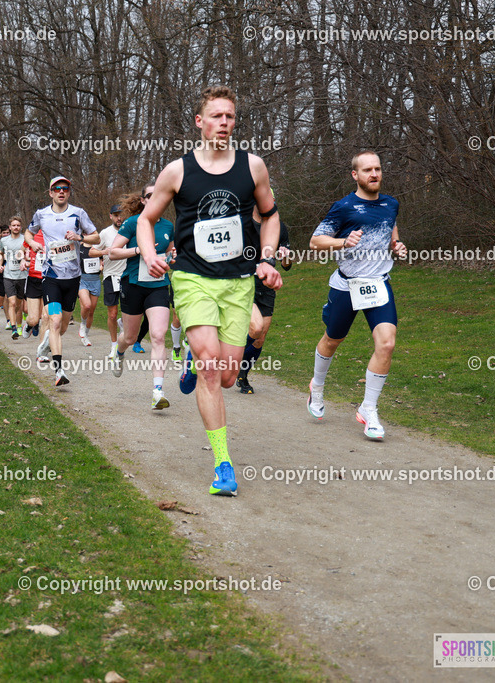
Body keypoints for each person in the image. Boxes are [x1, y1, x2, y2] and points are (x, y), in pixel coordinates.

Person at [138, 85, 283, 497]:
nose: (224, 123)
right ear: (200, 123)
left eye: (230, 117)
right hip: (192, 278)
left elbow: (270, 216)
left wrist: (267, 259)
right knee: (209, 365)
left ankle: (191, 357)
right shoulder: (177, 171)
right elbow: (147, 220)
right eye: (216, 116)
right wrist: (149, 254)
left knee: (228, 374)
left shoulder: (252, 167)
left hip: (237, 283)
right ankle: (223, 464)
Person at [307, 150, 406, 440]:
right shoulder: (344, 207)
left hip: (378, 284)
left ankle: (369, 408)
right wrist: (342, 241)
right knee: (332, 340)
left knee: (386, 344)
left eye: (377, 169)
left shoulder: (391, 204)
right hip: (347, 286)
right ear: (355, 175)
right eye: (367, 170)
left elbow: (391, 230)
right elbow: (315, 242)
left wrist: (396, 245)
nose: (374, 174)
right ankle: (318, 387)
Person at [25, 175, 99, 386]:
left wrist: (80, 238)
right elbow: (28, 233)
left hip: (73, 277)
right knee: (55, 321)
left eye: (65, 188)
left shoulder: (78, 213)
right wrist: (33, 244)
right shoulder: (41, 214)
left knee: (63, 327)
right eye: (57, 188)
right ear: (50, 192)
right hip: (51, 276)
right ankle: (59, 371)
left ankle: (47, 342)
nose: (61, 191)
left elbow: (97, 237)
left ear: (69, 192)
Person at [108, 183, 174, 410]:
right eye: (149, 195)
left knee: (157, 335)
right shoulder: (132, 223)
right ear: (143, 200)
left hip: (158, 285)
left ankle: (158, 391)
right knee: (130, 337)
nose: (155, 198)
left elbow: (171, 254)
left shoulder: (168, 226)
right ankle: (119, 350)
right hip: (133, 284)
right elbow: (113, 252)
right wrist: (140, 250)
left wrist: (171, 259)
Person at [236, 204, 294, 394]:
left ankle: (242, 375)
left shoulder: (279, 226)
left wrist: (286, 257)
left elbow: (286, 265)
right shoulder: (243, 223)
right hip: (245, 283)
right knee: (256, 327)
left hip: (267, 285)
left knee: (260, 338)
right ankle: (229, 363)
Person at [94, 205, 126, 357]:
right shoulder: (105, 233)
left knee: (132, 312)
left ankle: (123, 323)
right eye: (116, 215)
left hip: (128, 276)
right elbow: (92, 251)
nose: (119, 217)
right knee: (112, 314)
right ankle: (114, 345)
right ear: (111, 216)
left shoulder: (131, 229)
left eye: (121, 214)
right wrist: (103, 251)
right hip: (111, 276)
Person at [0, 217, 28, 339]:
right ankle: (14, 328)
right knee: (11, 302)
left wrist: (25, 260)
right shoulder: (4, 241)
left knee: (19, 304)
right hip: (8, 275)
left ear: (20, 227)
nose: (16, 227)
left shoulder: (25, 239)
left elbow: (29, 254)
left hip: (22, 276)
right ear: (10, 227)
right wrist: (0, 265)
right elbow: (1, 254)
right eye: (13, 225)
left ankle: (20, 324)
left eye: (18, 225)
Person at [23, 228, 46, 346]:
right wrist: (23, 260)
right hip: (34, 279)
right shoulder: (33, 235)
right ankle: (29, 325)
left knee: (45, 317)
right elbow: (23, 249)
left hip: (50, 280)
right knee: (33, 319)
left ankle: (43, 348)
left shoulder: (57, 235)